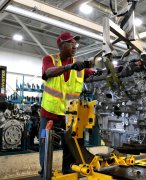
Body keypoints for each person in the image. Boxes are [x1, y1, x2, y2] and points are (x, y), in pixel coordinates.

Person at [39, 32, 94, 177]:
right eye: (71, 43)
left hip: (69, 116)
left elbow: (96, 74)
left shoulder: (79, 66)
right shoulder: (49, 59)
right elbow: (48, 72)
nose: (74, 46)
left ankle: (68, 173)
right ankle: (45, 174)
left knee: (70, 148)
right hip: (49, 114)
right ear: (61, 45)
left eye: (75, 43)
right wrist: (69, 67)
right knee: (45, 147)